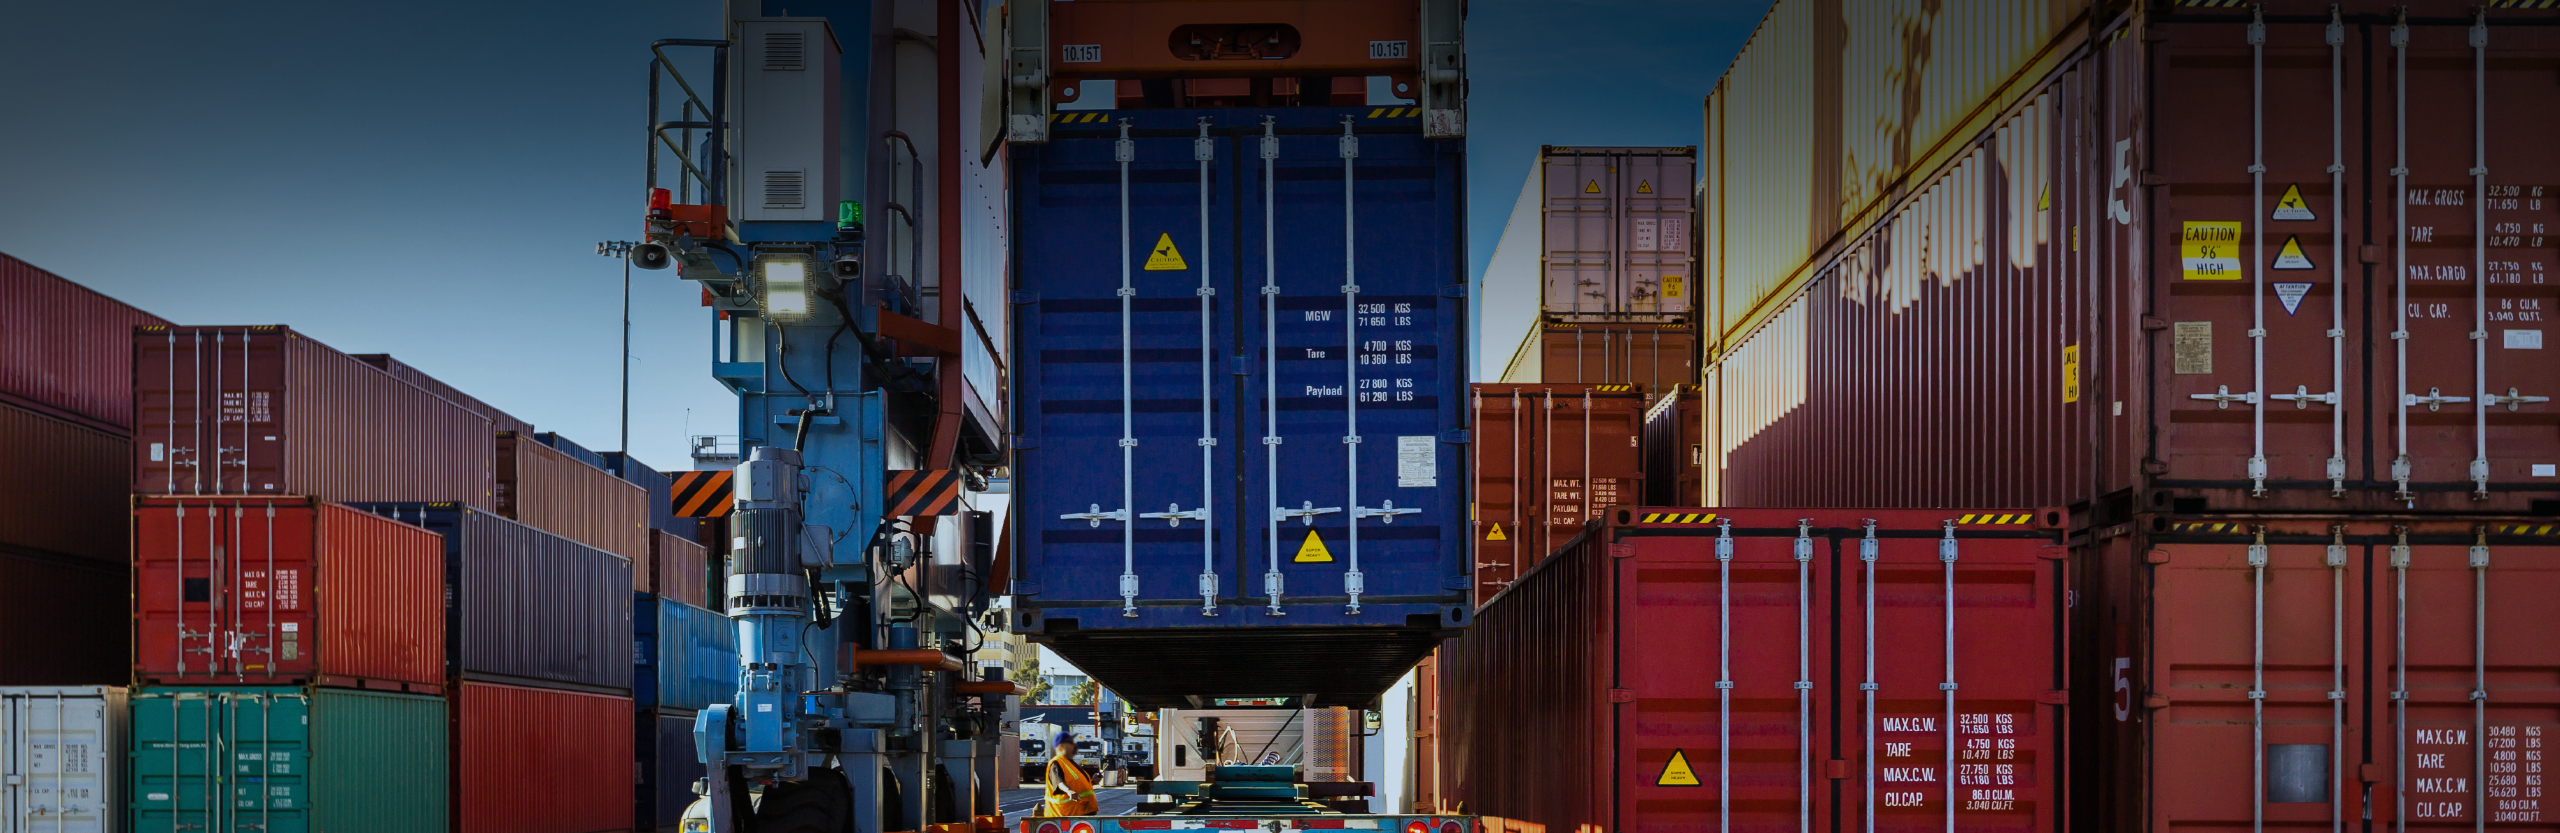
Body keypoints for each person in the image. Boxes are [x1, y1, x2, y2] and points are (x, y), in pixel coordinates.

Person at [1042, 729, 1099, 817]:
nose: (1075, 745)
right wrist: (1069, 791)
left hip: (1080, 812)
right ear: (1061, 747)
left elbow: (1076, 783)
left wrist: (1092, 782)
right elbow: (1059, 782)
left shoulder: (1072, 763)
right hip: (1065, 816)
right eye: (1071, 743)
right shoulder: (1056, 763)